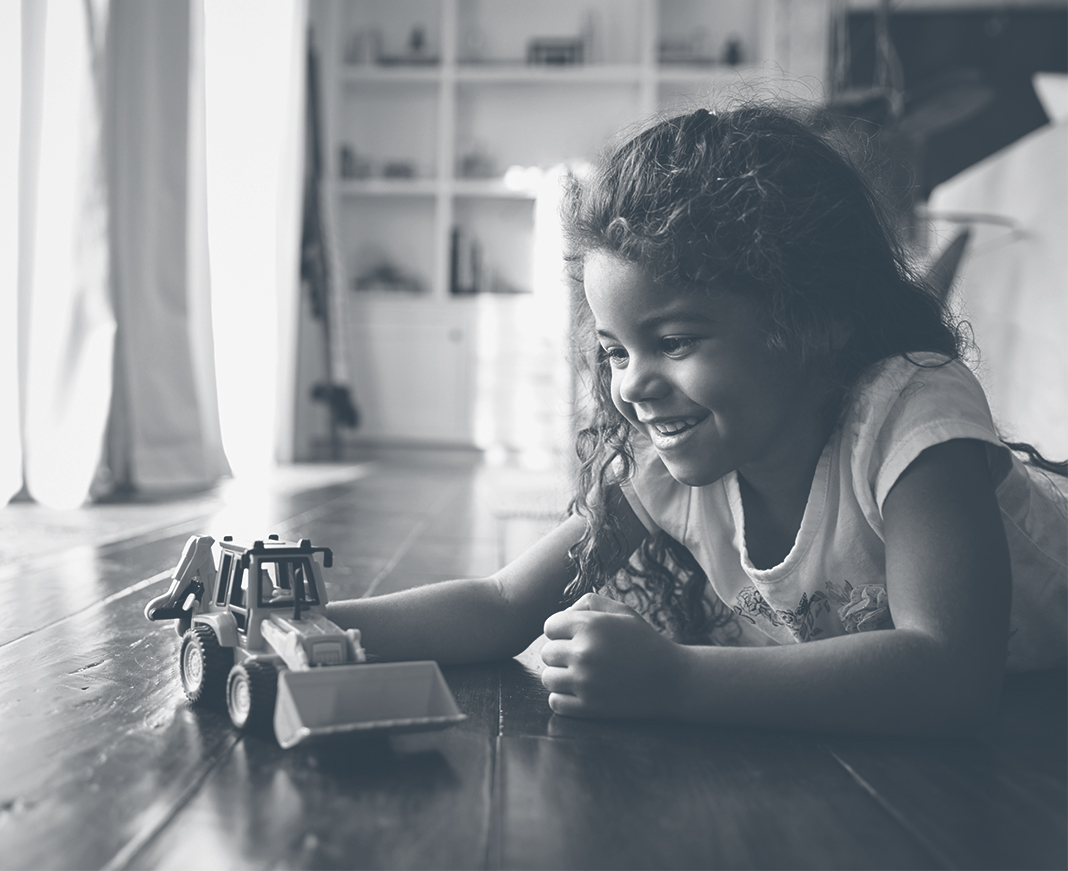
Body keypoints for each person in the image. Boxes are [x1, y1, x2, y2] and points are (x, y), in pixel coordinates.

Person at [328, 103, 1068, 736]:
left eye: (675, 342)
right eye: (615, 352)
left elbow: (950, 671)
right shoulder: (680, 466)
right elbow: (500, 603)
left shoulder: (910, 416)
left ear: (811, 321)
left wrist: (676, 680)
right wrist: (303, 624)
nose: (631, 387)